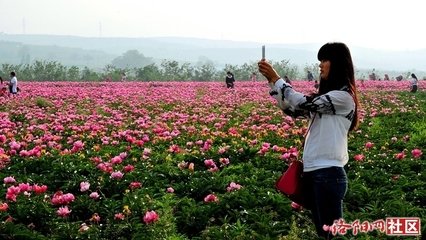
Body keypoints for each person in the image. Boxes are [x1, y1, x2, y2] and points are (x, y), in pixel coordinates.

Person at [258, 42, 360, 239]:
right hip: (315, 173)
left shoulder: (343, 98)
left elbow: (303, 102)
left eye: (325, 60)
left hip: (329, 174)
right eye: (320, 61)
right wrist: (272, 83)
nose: (320, 65)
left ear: (338, 63)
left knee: (332, 236)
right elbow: (292, 109)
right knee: (325, 235)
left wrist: (277, 79)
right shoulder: (327, 99)